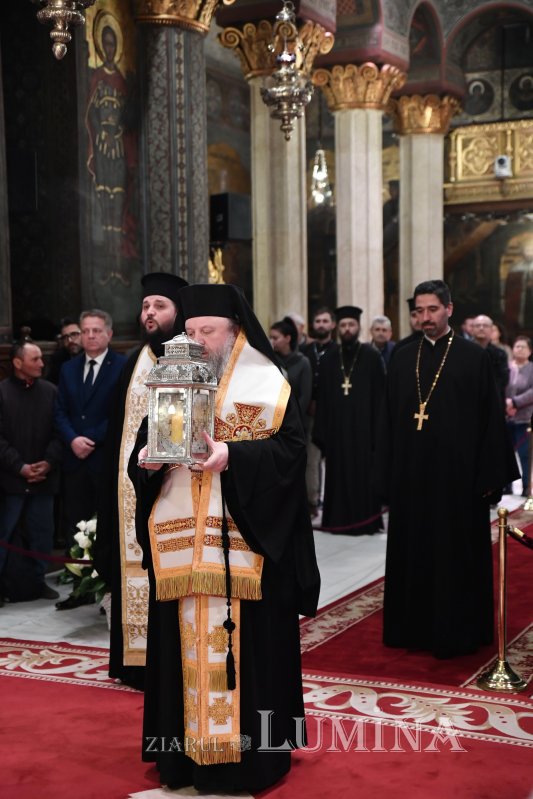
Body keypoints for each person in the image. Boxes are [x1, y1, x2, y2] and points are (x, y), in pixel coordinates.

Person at [129, 283, 320, 793]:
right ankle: (182, 759)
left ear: (234, 332)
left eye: (206, 331)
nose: (195, 340)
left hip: (244, 552)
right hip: (182, 550)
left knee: (248, 654)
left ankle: (254, 762)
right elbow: (145, 449)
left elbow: (291, 456)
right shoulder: (173, 380)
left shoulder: (267, 384)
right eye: (189, 330)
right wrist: (147, 463)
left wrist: (233, 457)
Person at [377, 279, 518, 659]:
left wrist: (489, 477)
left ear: (449, 309)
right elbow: (388, 420)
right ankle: (411, 628)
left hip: (458, 482)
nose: (425, 317)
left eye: (432, 310)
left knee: (455, 555)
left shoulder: (475, 358)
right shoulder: (403, 358)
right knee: (414, 552)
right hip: (411, 479)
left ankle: (457, 630)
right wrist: (386, 474)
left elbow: (491, 419)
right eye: (418, 311)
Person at [93, 272, 187, 689]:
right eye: (146, 306)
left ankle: (172, 663)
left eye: (159, 306)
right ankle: (136, 664)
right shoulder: (135, 359)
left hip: (175, 489)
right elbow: (117, 432)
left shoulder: (189, 357)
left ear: (178, 312)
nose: (149, 313)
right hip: (129, 487)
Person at [54, 310, 126, 557]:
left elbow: (121, 411)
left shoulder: (122, 366)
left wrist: (91, 439)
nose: (90, 336)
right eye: (85, 331)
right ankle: (76, 584)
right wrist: (73, 439)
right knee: (74, 522)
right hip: (74, 460)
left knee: (106, 522)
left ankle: (104, 586)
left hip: (103, 458)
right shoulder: (68, 368)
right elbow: (60, 411)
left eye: (96, 330)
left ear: (109, 334)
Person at [0, 342, 63, 602]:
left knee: (41, 534)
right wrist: (20, 467)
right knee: (5, 534)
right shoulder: (1, 393)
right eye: (35, 359)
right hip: (10, 481)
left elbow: (60, 432)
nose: (41, 364)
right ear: (17, 363)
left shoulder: (51, 391)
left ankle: (38, 582)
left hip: (43, 479)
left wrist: (48, 462)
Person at [314, 305, 385, 534]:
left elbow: (380, 397)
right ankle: (337, 521)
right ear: (338, 328)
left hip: (364, 432)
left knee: (364, 475)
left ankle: (366, 522)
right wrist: (322, 432)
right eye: (343, 325)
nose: (347, 329)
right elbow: (322, 397)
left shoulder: (372, 356)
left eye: (351, 325)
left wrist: (378, 432)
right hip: (336, 432)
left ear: (359, 327)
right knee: (337, 474)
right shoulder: (329, 359)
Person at [86, 14, 137, 285]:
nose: (107, 49)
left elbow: (129, 119)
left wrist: (117, 132)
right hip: (102, 149)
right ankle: (107, 267)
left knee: (118, 207)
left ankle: (118, 267)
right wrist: (101, 132)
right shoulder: (96, 78)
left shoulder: (121, 81)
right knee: (104, 206)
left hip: (118, 150)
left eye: (111, 44)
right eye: (104, 44)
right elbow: (91, 114)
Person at [301, 307, 337, 518]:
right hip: (308, 414)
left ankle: (324, 498)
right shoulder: (307, 351)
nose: (321, 325)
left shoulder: (338, 351)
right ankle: (311, 500)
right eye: (318, 321)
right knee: (310, 458)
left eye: (325, 321)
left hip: (331, 413)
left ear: (332, 325)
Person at [269, 316, 312, 425]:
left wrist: (294, 418)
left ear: (287, 338)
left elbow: (305, 396)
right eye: (270, 338)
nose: (271, 341)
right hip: (273, 418)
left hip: (296, 420)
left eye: (275, 338)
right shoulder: (270, 360)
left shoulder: (302, 362)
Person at [505, 336, 533, 496]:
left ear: (530, 351)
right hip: (506, 416)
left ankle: (526, 487)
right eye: (517, 346)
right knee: (506, 454)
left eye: (523, 347)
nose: (519, 349)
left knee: (524, 454)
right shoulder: (507, 367)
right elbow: (500, 385)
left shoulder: (531, 368)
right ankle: (506, 486)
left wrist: (515, 402)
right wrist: (506, 403)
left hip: (524, 418)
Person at [471, 314, 509, 405]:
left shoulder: (499, 354)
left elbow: (503, 380)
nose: (481, 328)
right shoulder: (462, 351)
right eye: (478, 325)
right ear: (472, 329)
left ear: (492, 330)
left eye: (485, 325)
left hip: (492, 402)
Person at [504, 236, 533, 336]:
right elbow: (510, 288)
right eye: (527, 250)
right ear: (523, 251)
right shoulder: (516, 267)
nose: (529, 252)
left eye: (531, 249)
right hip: (520, 301)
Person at [46, 317, 83, 385]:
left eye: (74, 334)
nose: (70, 341)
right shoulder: (58, 358)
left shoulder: (93, 353)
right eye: (65, 337)